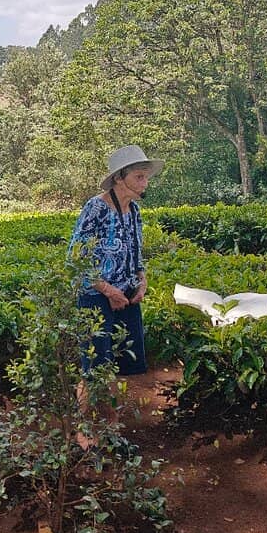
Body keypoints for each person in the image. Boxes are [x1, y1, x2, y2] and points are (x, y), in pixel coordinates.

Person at [67, 145, 164, 386]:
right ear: (120, 178)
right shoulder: (96, 208)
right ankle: (90, 420)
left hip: (127, 296)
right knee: (95, 367)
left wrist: (142, 280)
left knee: (127, 363)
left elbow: (135, 251)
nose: (145, 183)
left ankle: (114, 418)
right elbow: (76, 258)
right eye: (138, 177)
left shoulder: (134, 210)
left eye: (146, 177)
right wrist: (108, 291)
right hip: (96, 297)